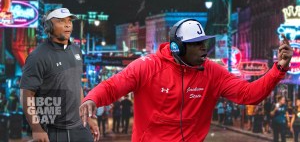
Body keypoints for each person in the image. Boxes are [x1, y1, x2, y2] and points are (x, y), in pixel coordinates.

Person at [79, 18, 293, 141]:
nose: (203, 47)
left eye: (204, 42)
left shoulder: (212, 71)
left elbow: (249, 95)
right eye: (196, 43)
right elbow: (113, 85)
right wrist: (92, 99)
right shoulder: (148, 66)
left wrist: (279, 68)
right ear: (178, 47)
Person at [20, 8, 99, 142]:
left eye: (69, 21)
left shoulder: (76, 50)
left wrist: (87, 117)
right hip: (54, 129)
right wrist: (37, 128)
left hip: (80, 126)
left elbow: (76, 85)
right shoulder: (37, 57)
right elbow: (27, 94)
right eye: (61, 21)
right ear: (49, 26)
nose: (68, 24)